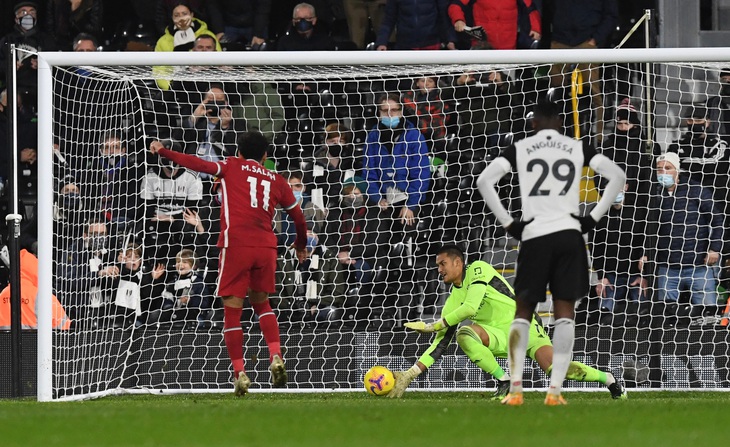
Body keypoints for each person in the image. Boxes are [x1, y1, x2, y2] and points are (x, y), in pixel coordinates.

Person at [476, 100, 625, 405]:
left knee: (523, 311)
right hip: (569, 236)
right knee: (564, 314)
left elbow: (484, 181)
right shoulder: (576, 147)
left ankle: (515, 389)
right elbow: (617, 177)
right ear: (560, 122)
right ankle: (554, 392)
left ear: (533, 124)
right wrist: (593, 217)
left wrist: (508, 223)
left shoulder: (520, 147)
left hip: (535, 235)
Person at [149, 131, 309, 397]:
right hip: (267, 247)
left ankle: (240, 373)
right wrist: (301, 246)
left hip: (236, 245)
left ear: (239, 151)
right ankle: (276, 355)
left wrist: (163, 151)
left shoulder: (230, 166)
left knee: (232, 311)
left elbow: (196, 163)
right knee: (262, 303)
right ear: (266, 156)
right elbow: (299, 218)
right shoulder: (277, 179)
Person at [389, 245, 626, 400]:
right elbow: (440, 344)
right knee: (463, 334)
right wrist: (410, 374)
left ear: (458, 262)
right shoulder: (452, 300)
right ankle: (504, 381)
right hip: (498, 335)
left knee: (558, 371)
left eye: (443, 264)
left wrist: (433, 325)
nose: (439, 269)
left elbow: (471, 307)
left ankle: (610, 379)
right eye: (437, 265)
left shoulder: (479, 269)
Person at [646, 152, 723, 309]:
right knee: (666, 319)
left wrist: (715, 249)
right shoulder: (653, 195)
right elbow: (647, 228)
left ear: (678, 170)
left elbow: (718, 221)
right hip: (667, 268)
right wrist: (646, 253)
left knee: (706, 315)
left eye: (668, 168)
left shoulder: (697, 190)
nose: (663, 173)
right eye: (659, 169)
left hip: (699, 266)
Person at [448, 0, 541, 50]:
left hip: (508, 48)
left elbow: (531, 9)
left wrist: (536, 29)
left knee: (507, 83)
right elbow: (455, 5)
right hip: (482, 47)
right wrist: (458, 20)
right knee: (481, 83)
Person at [375, 0, 455, 51]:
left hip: (431, 46)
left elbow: (444, 17)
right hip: (405, 47)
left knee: (429, 77)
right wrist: (382, 42)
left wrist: (450, 39)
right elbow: (388, 19)